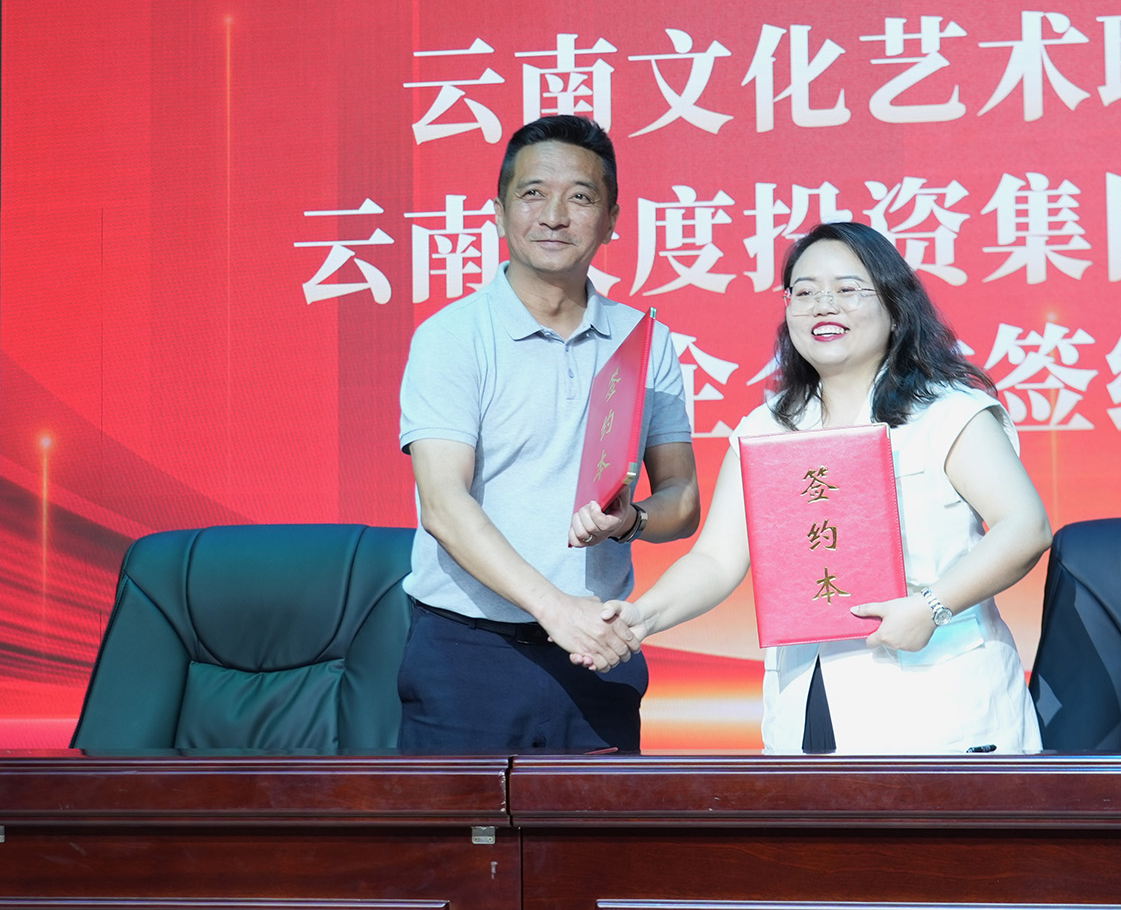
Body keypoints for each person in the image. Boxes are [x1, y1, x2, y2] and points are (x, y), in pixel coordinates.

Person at [571, 221, 1051, 754]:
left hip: (940, 695)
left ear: (895, 307)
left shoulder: (947, 413)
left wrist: (931, 607)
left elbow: (1024, 527)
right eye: (804, 292)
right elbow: (716, 559)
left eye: (847, 289)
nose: (824, 306)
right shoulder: (766, 427)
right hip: (810, 699)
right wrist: (643, 617)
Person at [398, 115, 701, 751]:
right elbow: (443, 505)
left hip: (599, 649)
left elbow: (682, 499)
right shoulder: (452, 337)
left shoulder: (644, 341)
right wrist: (554, 608)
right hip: (467, 652)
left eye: (581, 197)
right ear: (499, 213)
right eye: (533, 193)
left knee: (600, 821)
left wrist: (632, 521)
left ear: (611, 219)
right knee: (457, 822)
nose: (555, 216)